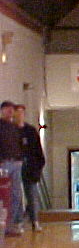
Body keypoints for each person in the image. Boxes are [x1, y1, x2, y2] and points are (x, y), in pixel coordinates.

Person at [14, 105, 45, 232]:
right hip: (16, 166)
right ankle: (18, 222)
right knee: (17, 195)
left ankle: (35, 221)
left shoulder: (31, 131)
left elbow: (38, 150)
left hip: (30, 167)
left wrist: (39, 166)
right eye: (17, 113)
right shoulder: (11, 130)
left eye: (22, 113)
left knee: (32, 195)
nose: (20, 115)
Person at [0, 101, 23, 237]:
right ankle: (3, 225)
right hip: (4, 164)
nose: (10, 111)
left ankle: (10, 225)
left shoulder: (15, 127)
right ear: (2, 110)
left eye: (11, 109)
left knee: (16, 194)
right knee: (4, 194)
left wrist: (20, 159)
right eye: (7, 109)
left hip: (16, 163)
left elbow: (19, 144)